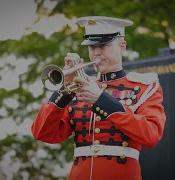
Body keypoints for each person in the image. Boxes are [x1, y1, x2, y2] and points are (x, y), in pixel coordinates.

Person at [31, 16, 166, 180]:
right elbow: (43, 133)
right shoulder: (79, 87)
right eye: (92, 46)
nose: (96, 52)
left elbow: (151, 135)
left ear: (122, 45)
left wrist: (102, 100)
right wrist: (65, 88)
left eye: (103, 45)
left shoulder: (145, 87)